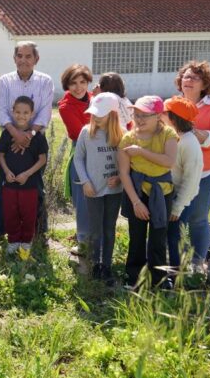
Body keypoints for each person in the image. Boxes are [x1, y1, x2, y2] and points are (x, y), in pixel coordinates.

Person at [174, 60, 210, 267]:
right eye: (186, 76)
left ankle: (198, 263)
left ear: (204, 84)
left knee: (198, 218)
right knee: (174, 217)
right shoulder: (171, 104)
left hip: (204, 173)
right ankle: (173, 258)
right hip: (174, 172)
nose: (188, 80)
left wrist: (198, 135)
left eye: (194, 78)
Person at [117, 96, 178, 289]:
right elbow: (124, 173)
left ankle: (159, 278)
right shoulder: (128, 138)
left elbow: (169, 161)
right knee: (136, 236)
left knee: (158, 237)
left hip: (161, 193)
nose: (140, 119)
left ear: (158, 116)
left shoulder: (168, 134)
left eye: (145, 115)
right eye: (137, 114)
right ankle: (133, 275)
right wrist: (136, 202)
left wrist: (141, 152)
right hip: (138, 192)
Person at [0, 41, 54, 236]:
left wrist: (29, 136)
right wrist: (16, 134)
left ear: (36, 59)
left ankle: (36, 232)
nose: (23, 60)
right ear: (14, 58)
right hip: (10, 138)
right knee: (8, 184)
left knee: (34, 186)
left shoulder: (45, 81)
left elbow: (45, 112)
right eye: (19, 56)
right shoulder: (5, 81)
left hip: (35, 140)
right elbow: (2, 111)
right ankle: (3, 232)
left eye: (28, 56)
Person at [73, 93, 124, 285]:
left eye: (100, 114)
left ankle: (107, 266)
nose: (94, 117)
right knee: (95, 229)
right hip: (93, 190)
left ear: (112, 114)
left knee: (109, 228)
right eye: (93, 113)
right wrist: (85, 182)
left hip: (114, 192)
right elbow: (78, 159)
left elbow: (127, 163)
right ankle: (95, 264)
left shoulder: (121, 135)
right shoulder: (87, 132)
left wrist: (119, 178)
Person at [0, 96, 49, 254]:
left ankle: (26, 242)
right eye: (18, 112)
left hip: (30, 186)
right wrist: (6, 171)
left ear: (32, 114)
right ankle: (13, 241)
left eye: (26, 112)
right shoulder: (7, 134)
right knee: (10, 213)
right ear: (12, 112)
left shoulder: (37, 136)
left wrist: (27, 174)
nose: (21, 115)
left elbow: (42, 159)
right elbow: (1, 155)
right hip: (10, 184)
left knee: (28, 215)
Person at [162, 96, 204, 270]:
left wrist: (178, 206)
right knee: (167, 235)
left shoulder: (189, 143)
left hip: (180, 199)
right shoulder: (174, 137)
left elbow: (191, 179)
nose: (160, 115)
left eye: (164, 112)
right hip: (169, 194)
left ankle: (176, 273)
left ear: (174, 118)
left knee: (174, 237)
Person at [58, 64, 94, 250]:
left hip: (102, 152)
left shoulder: (95, 99)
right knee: (82, 197)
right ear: (67, 85)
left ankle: (97, 237)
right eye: (74, 83)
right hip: (81, 150)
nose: (79, 87)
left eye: (83, 82)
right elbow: (80, 133)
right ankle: (83, 240)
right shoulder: (65, 107)